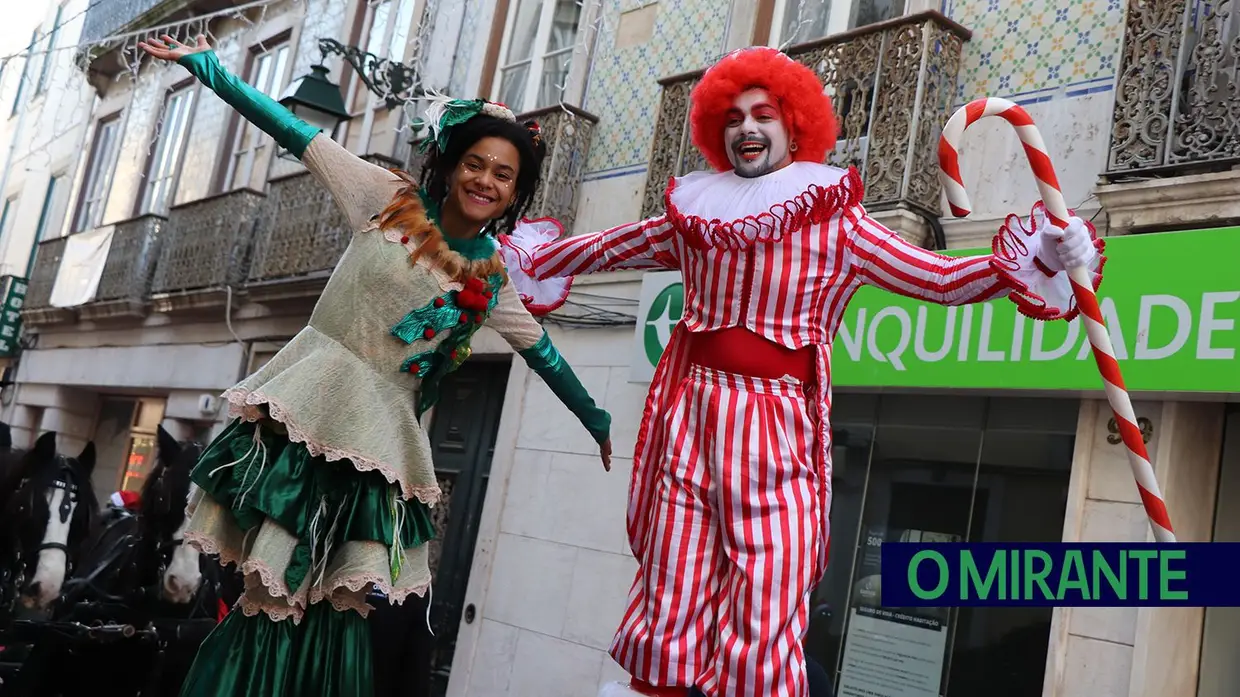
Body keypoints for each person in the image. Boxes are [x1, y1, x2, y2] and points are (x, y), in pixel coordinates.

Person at [504, 47, 1102, 697]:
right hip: (690, 411)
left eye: (762, 114)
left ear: (793, 126)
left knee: (769, 578)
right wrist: (534, 261)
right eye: (732, 117)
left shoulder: (837, 222)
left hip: (775, 423)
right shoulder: (696, 215)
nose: (746, 128)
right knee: (674, 570)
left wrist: (1039, 255)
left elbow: (938, 279)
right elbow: (612, 246)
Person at [137, 34, 612, 697]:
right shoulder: (381, 196)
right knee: (270, 592)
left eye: (503, 175)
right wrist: (207, 68)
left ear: (513, 195)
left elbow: (541, 349)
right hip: (313, 409)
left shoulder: (489, 274)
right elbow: (296, 130)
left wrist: (598, 420)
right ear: (449, 166)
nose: (486, 180)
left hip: (379, 446)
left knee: (341, 609)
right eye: (476, 164)